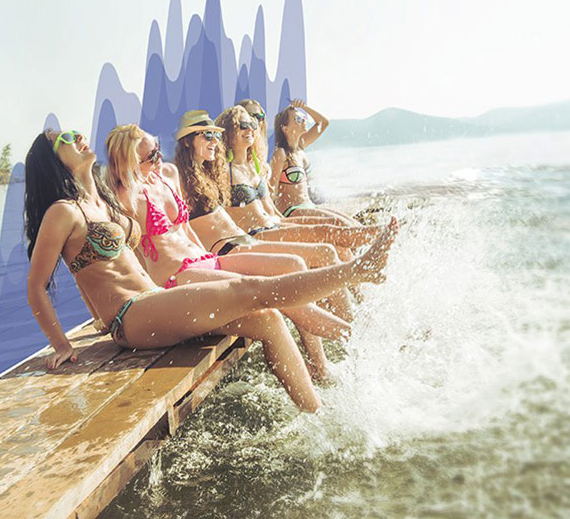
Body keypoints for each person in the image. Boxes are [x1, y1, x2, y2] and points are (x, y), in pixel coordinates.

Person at [23, 128, 395, 412]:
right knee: (250, 290)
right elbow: (36, 286)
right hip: (130, 315)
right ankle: (358, 270)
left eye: (77, 133)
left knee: (267, 319)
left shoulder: (102, 202)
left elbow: (98, 267)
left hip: (155, 300)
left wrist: (95, 315)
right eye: (66, 139)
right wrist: (62, 345)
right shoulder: (63, 212)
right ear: (52, 161)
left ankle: (315, 412)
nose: (79, 138)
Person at [103, 123, 351, 376]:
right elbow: (123, 255)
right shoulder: (124, 198)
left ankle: (328, 356)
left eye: (157, 150)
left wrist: (209, 257)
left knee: (289, 267)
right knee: (270, 294)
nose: (158, 159)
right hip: (176, 277)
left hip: (204, 258)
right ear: (128, 162)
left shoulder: (167, 174)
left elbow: (186, 228)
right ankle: (350, 337)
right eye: (150, 157)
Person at [172, 110, 362, 320]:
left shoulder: (213, 173)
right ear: (187, 141)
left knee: (328, 245)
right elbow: (179, 228)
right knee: (310, 258)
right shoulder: (185, 176)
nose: (215, 140)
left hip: (248, 237)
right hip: (234, 245)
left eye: (216, 135)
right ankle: (345, 322)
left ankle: (346, 317)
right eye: (208, 135)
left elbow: (266, 211)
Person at [215, 105, 383, 249]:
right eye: (244, 125)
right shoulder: (278, 154)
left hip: (281, 218)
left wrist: (289, 225)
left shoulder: (260, 165)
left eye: (252, 124)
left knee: (342, 232)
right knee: (330, 230)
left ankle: (374, 246)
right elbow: (271, 193)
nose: (251, 128)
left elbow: (269, 207)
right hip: (284, 215)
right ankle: (379, 236)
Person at [269, 100, 361, 226]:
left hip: (309, 206)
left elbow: (323, 122)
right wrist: (277, 219)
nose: (303, 120)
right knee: (341, 224)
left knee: (353, 223)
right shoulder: (281, 153)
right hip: (291, 211)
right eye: (298, 119)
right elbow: (271, 189)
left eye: (303, 118)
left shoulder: (300, 147)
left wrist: (304, 107)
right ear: (285, 128)